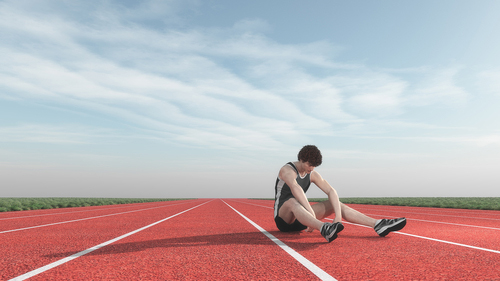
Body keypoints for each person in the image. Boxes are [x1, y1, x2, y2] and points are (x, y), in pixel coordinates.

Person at [274, 145, 406, 242]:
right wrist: (312, 215)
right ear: (301, 159)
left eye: (314, 166)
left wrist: (338, 216)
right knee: (292, 201)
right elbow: (296, 189)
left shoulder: (312, 173)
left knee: (336, 203)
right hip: (284, 219)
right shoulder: (287, 170)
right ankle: (323, 228)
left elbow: (331, 190)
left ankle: (377, 225)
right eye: (310, 165)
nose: (312, 169)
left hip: (303, 218)